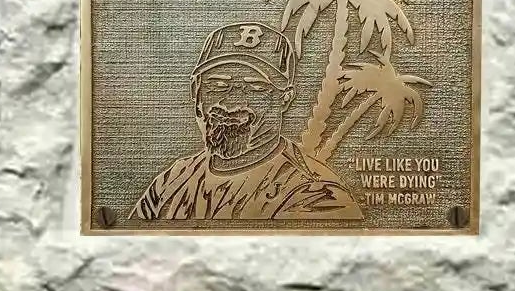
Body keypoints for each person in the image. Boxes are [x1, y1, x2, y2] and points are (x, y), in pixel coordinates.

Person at [129, 20, 364, 227]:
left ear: (285, 98)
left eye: (256, 88)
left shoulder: (317, 194)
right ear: (196, 92)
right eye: (218, 85)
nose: (231, 102)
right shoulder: (173, 179)